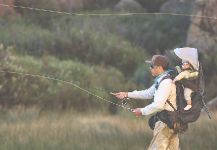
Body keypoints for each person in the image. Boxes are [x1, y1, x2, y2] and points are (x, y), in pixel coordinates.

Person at [111, 55, 179, 150]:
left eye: (152, 66)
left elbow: (158, 105)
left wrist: (142, 111)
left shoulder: (166, 83)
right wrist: (126, 94)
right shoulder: (162, 80)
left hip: (166, 123)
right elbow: (148, 93)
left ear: (159, 68)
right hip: (170, 122)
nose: (150, 68)